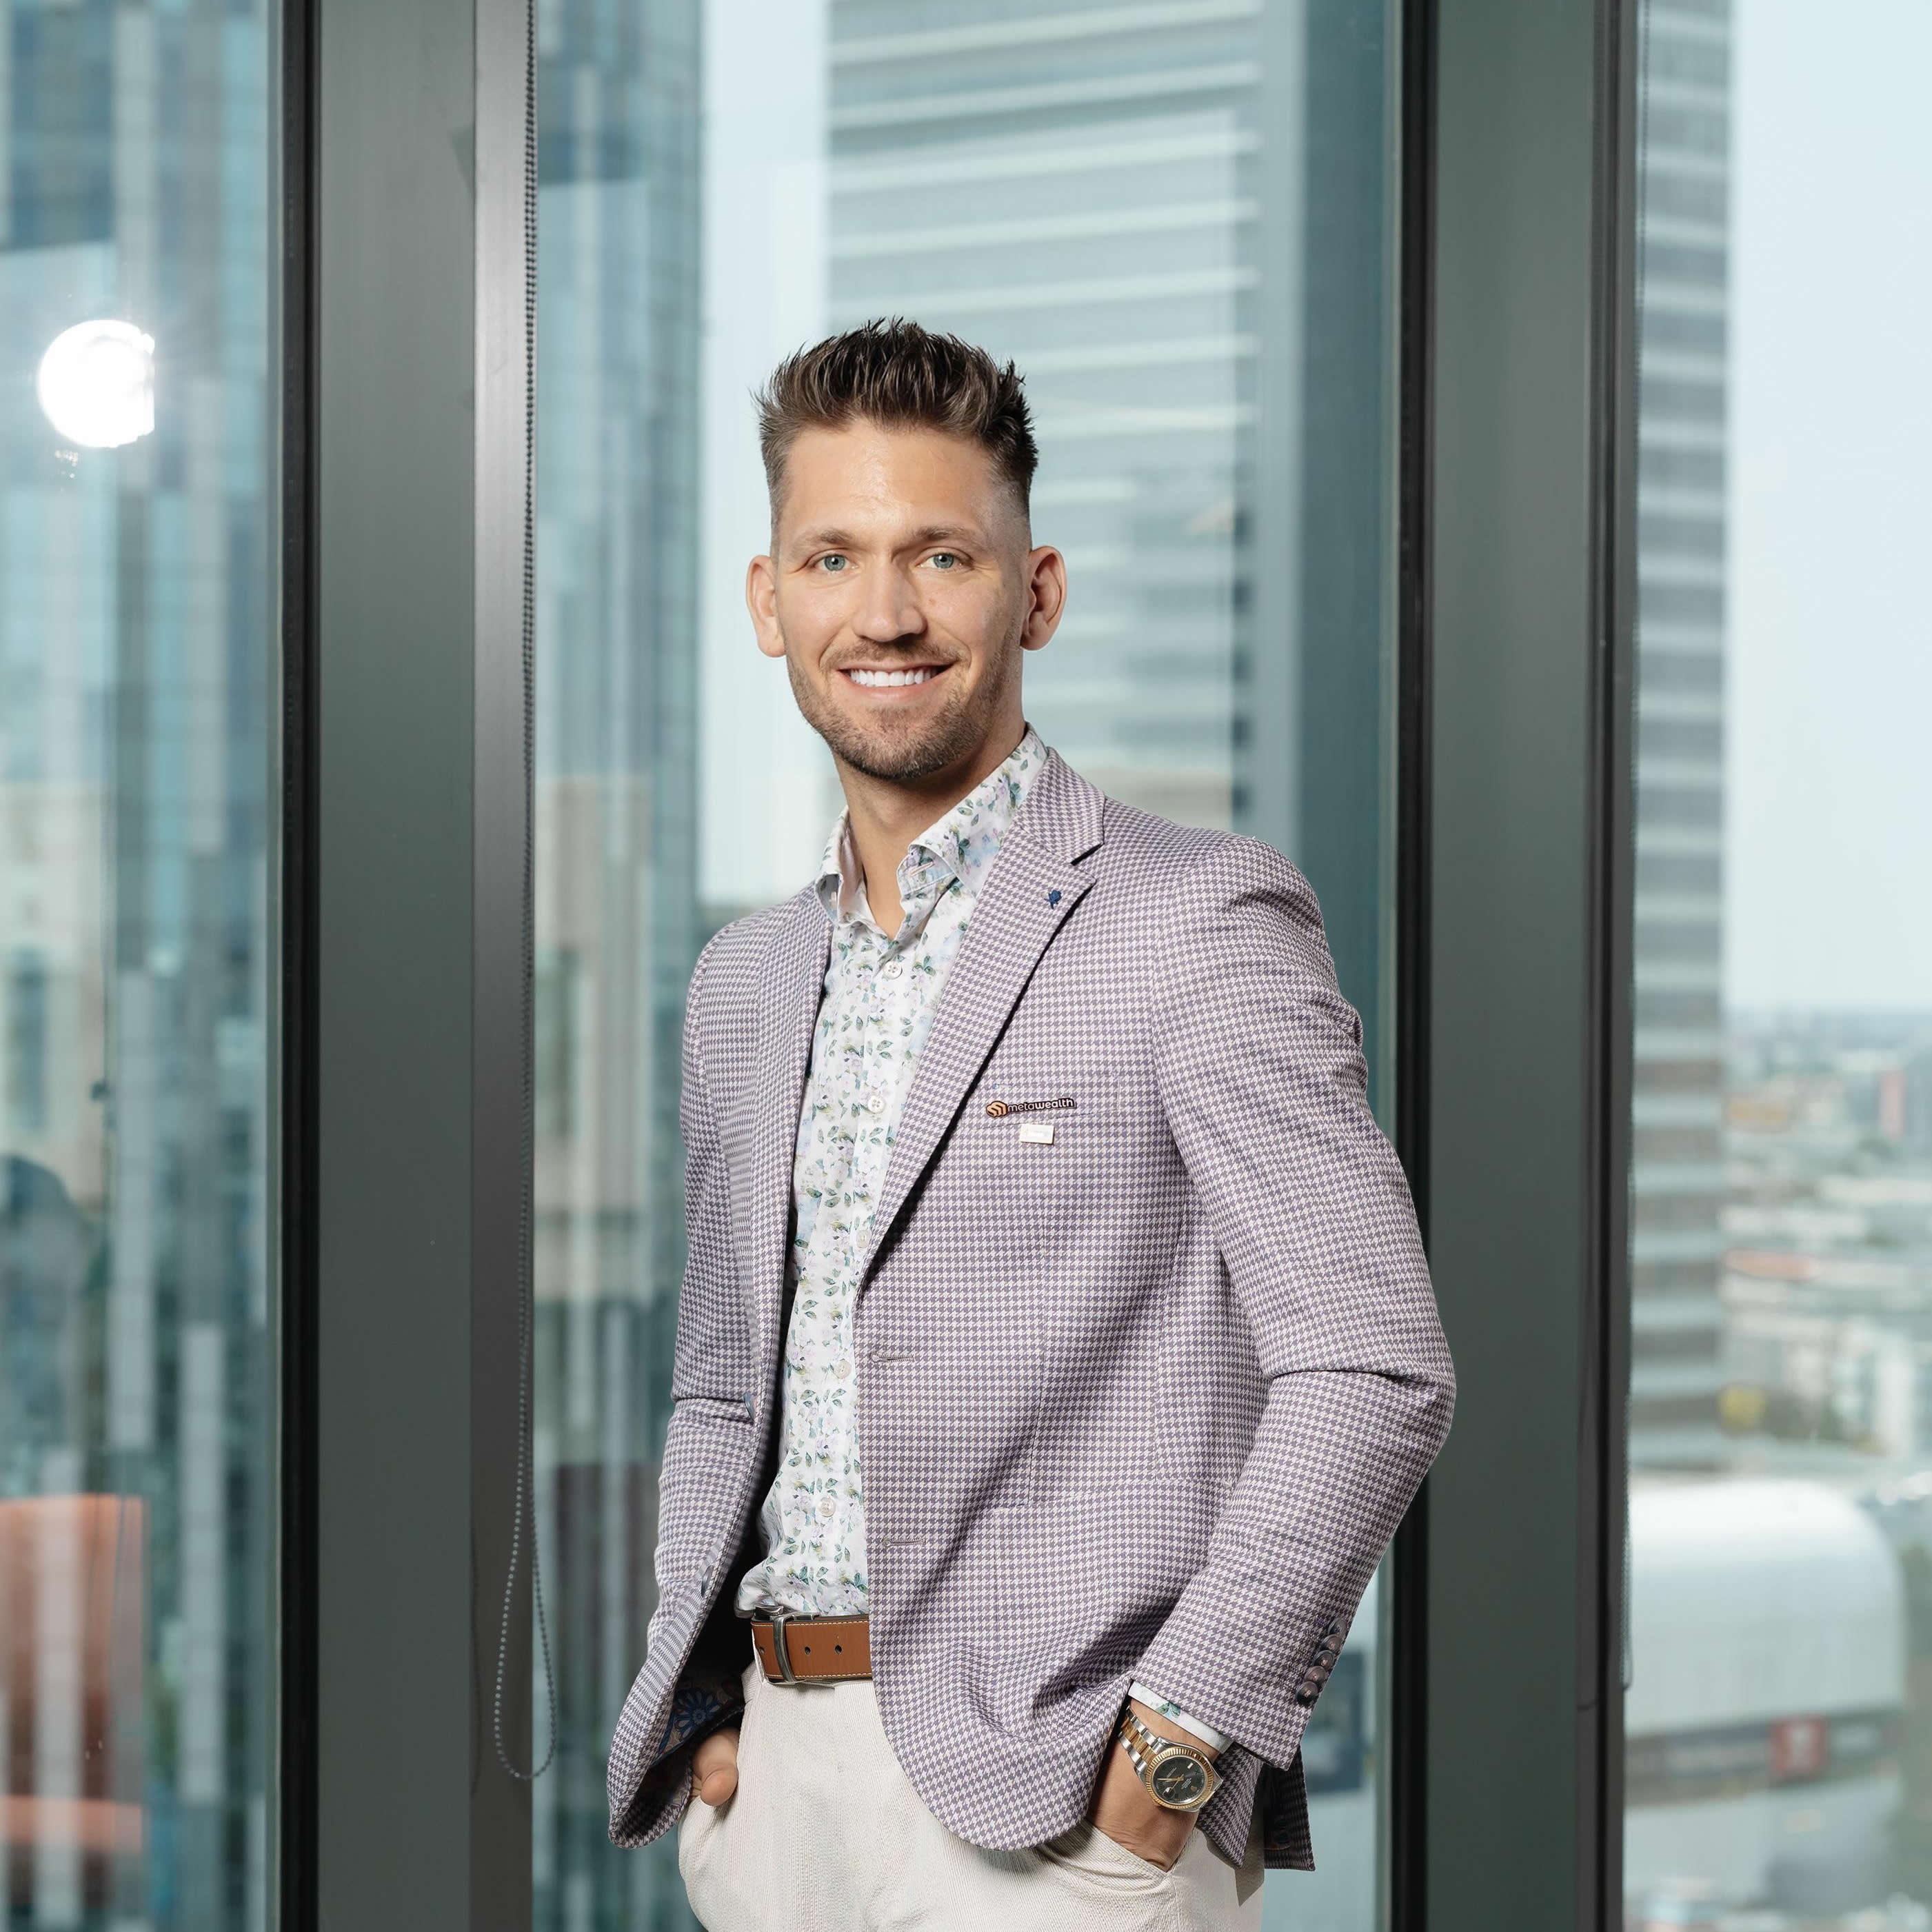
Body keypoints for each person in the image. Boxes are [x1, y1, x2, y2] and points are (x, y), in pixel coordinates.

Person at [606, 319, 1454, 1929]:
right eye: (834, 558)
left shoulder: (1197, 921)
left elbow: (1372, 1367)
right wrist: (701, 1689)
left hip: (1061, 1817)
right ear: (768, 602)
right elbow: (724, 1386)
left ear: (1037, 592)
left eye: (944, 556)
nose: (886, 613)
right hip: (774, 1797)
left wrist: (1176, 1758)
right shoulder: (745, 981)